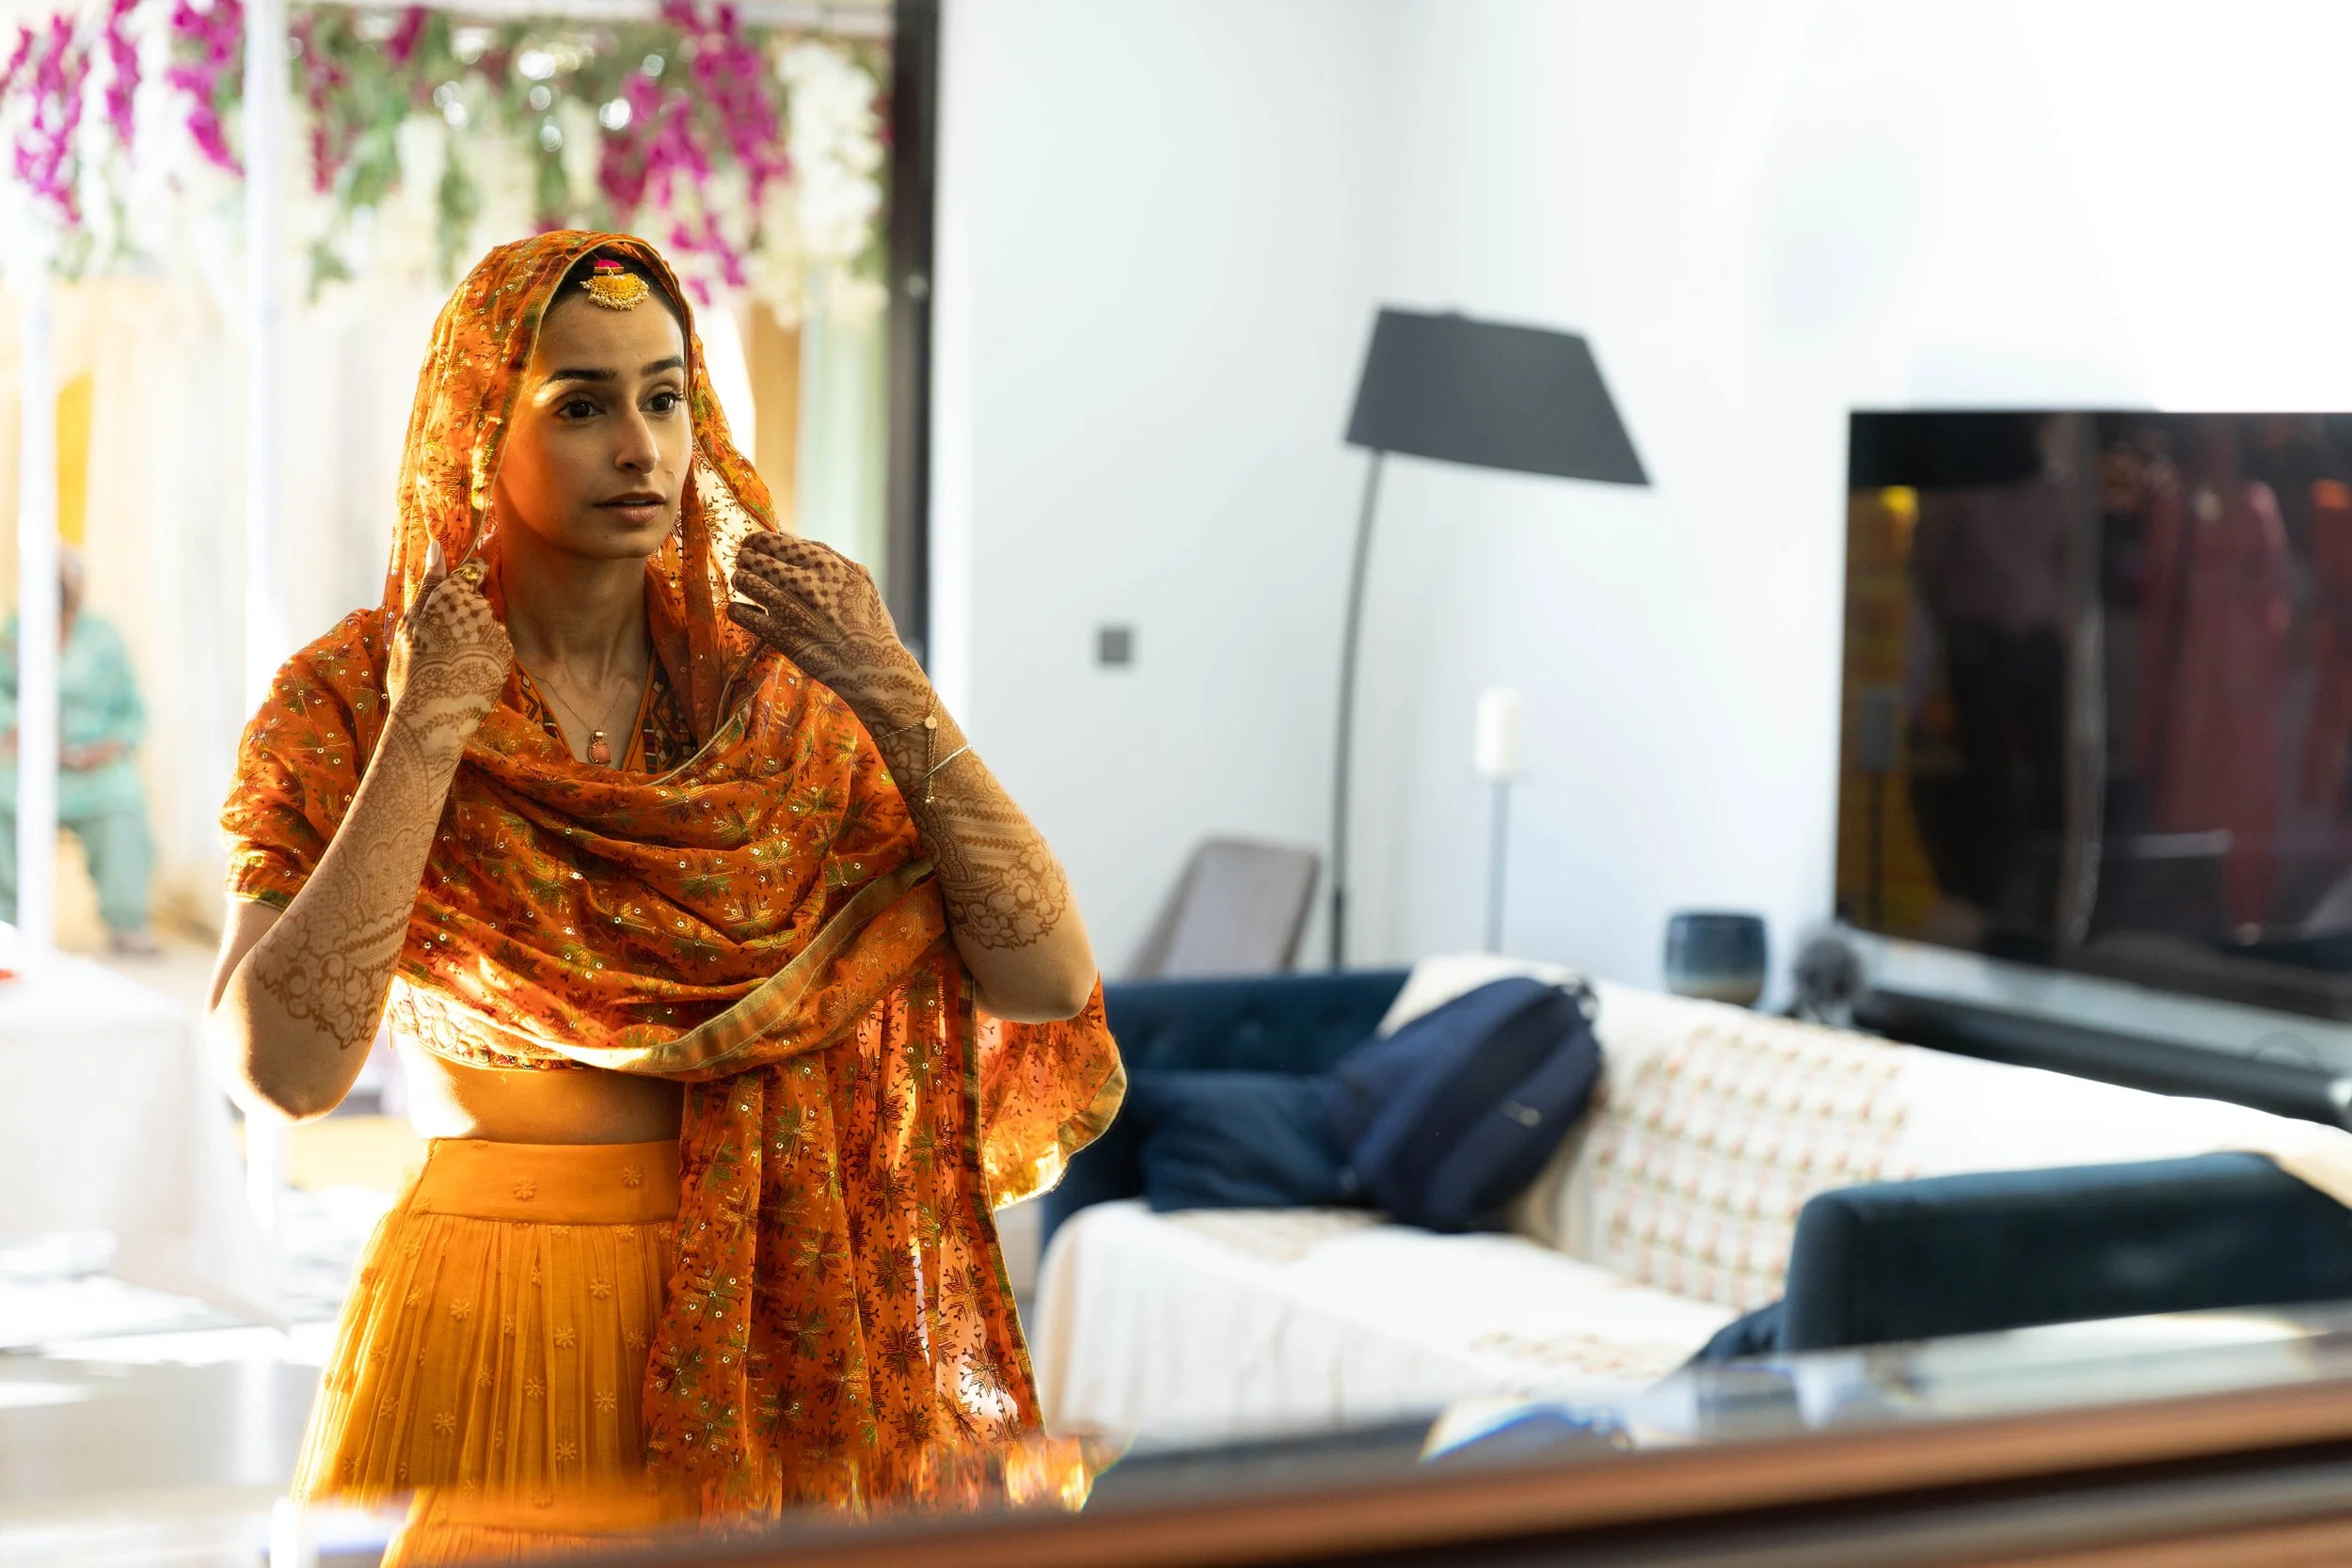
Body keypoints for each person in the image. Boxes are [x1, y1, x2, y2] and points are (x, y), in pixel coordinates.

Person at [207, 234, 1121, 1561]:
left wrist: (891, 685)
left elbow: (1046, 980)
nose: (638, 444)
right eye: (579, 404)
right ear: (478, 427)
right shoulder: (355, 693)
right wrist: (426, 733)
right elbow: (281, 1072)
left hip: (781, 1307)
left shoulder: (785, 701)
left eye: (664, 394)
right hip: (494, 1305)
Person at [0, 549, 159, 956]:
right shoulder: (13, 633)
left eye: (66, 579)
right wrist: (15, 727)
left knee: (123, 795)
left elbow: (133, 710)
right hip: (28, 765)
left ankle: (127, 921)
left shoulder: (104, 636)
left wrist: (110, 746)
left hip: (92, 766)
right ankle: (7, 924)